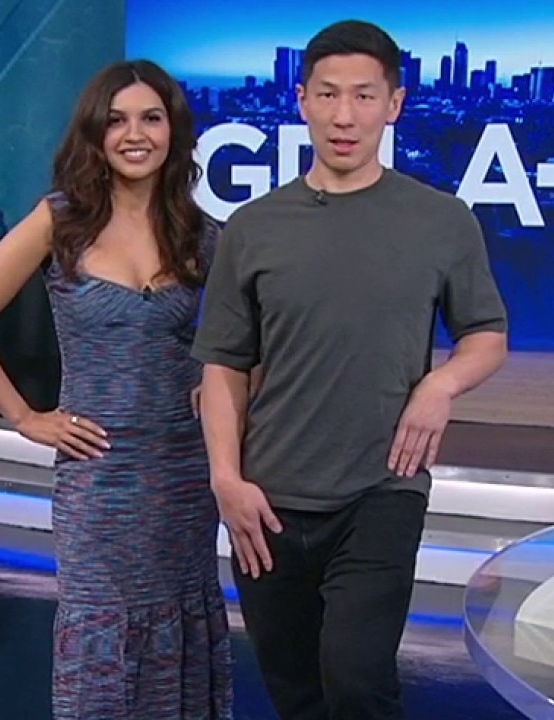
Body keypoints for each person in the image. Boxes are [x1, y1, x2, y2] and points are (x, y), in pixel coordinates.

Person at [193, 19, 509, 720]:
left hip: (382, 488)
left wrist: (441, 384)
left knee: (357, 681)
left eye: (364, 96)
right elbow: (224, 366)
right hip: (268, 497)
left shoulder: (442, 220)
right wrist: (226, 481)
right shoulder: (252, 228)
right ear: (301, 99)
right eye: (329, 94)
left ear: (393, 105)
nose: (344, 116)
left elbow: (486, 335)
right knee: (297, 692)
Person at [0, 59, 232, 720]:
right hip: (98, 478)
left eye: (151, 118)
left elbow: (253, 340)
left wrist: (216, 387)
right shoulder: (60, 221)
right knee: (103, 631)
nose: (135, 134)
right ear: (96, 133)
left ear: (174, 131)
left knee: (180, 624)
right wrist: (23, 416)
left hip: (183, 476)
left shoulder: (202, 233)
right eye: (117, 120)